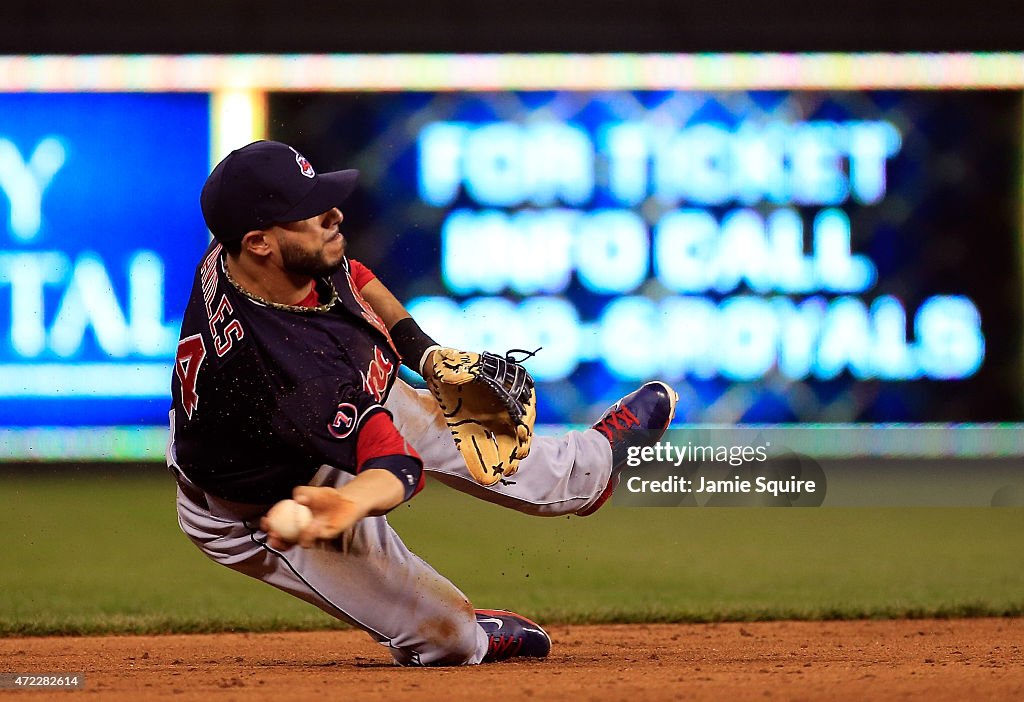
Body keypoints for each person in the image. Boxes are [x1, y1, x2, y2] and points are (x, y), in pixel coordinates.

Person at [167, 140, 677, 666]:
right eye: (308, 211)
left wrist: (423, 352)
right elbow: (395, 467)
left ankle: (590, 468)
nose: (333, 214)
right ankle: (466, 632)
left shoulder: (245, 257)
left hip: (302, 424)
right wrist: (346, 505)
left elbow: (354, 278)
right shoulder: (294, 372)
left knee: (451, 425)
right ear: (260, 243)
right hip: (273, 507)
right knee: (447, 640)